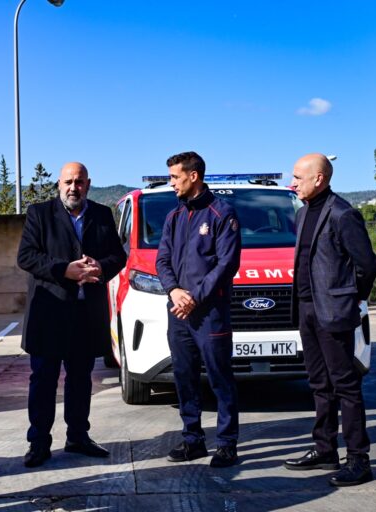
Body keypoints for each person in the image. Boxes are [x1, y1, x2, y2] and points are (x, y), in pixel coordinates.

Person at [17, 162, 126, 468]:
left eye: (79, 182)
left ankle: (78, 436)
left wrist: (100, 267)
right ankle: (38, 442)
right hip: (49, 316)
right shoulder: (39, 214)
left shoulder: (102, 215)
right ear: (58, 184)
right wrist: (63, 269)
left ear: (88, 184)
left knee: (80, 381)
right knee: (43, 382)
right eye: (68, 182)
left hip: (84, 316)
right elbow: (26, 256)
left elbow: (119, 256)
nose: (73, 187)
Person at [283, 153, 376, 486]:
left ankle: (358, 459)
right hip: (307, 310)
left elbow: (367, 265)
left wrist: (352, 298)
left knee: (346, 387)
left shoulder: (342, 213)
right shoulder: (304, 212)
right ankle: (325, 449)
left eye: (297, 177)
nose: (291, 183)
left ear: (319, 179)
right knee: (319, 384)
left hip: (333, 312)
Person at [155, 151, 242, 468]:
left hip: (210, 314)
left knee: (220, 378)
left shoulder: (222, 214)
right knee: (184, 377)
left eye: (175, 177)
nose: (172, 183)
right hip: (178, 313)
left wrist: (195, 296)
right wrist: (174, 291)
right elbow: (162, 260)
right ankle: (192, 440)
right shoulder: (173, 217)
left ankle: (226, 443)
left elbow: (226, 264)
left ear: (194, 176)